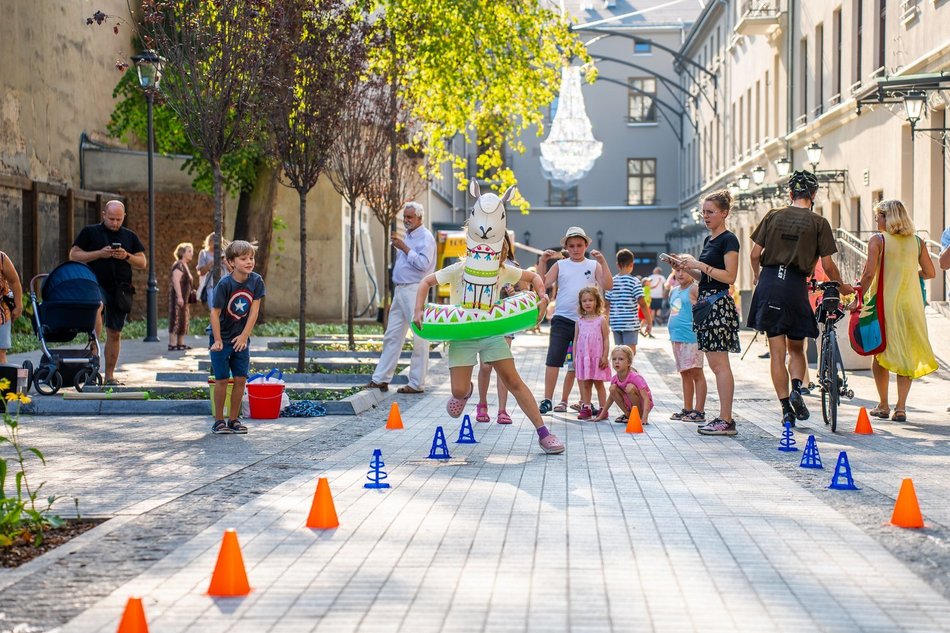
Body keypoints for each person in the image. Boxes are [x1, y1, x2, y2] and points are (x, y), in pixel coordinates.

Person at [413, 234, 565, 454]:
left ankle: (544, 433)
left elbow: (533, 278)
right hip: (462, 335)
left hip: (491, 333)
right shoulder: (460, 269)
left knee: (514, 381)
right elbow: (426, 281)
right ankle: (466, 393)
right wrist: (419, 309)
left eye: (497, 253)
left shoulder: (502, 270)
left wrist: (542, 295)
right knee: (458, 390)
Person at [747, 170, 853, 429]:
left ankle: (785, 409)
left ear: (790, 193)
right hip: (796, 286)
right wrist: (842, 287)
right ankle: (797, 388)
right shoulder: (819, 223)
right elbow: (828, 265)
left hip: (771, 282)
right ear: (813, 194)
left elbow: (753, 254)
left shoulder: (773, 216)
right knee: (797, 349)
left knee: (776, 353)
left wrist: (757, 276)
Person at [855, 200, 936, 422]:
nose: (875, 221)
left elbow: (869, 275)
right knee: (906, 353)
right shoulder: (917, 242)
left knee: (880, 351)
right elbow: (930, 273)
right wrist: (909, 274)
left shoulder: (878, 241)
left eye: (878, 217)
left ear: (887, 217)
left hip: (885, 304)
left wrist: (856, 295)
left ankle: (883, 405)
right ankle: (901, 407)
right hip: (911, 305)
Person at [672, 190, 740, 436]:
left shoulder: (729, 240)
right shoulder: (709, 241)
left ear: (724, 213)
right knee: (715, 364)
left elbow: (730, 277)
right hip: (706, 305)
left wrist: (699, 264)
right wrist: (688, 269)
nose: (705, 216)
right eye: (704, 212)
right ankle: (723, 417)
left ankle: (726, 418)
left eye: (710, 212)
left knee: (720, 365)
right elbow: (708, 278)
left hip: (718, 306)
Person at [69, 200, 147, 385]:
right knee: (97, 304)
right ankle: (93, 365)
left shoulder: (130, 236)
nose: (115, 223)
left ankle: (109, 376)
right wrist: (98, 254)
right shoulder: (90, 232)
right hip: (95, 284)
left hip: (121, 289)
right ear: (103, 214)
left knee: (115, 333)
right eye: (111, 218)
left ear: (124, 217)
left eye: (119, 219)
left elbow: (142, 262)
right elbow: (74, 255)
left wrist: (127, 256)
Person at [536, 226, 612, 414]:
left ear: (586, 245)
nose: (575, 249)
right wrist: (542, 261)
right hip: (562, 318)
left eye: (579, 245)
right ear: (567, 247)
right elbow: (541, 283)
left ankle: (584, 401)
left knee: (583, 360)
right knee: (554, 359)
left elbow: (608, 285)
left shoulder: (593, 265)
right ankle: (547, 399)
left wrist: (602, 261)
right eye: (571, 246)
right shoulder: (561, 265)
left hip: (587, 321)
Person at [366, 202, 435, 394]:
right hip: (401, 290)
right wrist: (402, 246)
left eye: (410, 217)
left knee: (420, 337)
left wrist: (404, 247)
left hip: (415, 291)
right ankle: (381, 379)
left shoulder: (426, 238)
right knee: (392, 335)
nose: (406, 220)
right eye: (405, 217)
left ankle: (416, 383)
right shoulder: (410, 236)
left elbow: (423, 264)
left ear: (420, 218)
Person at [209, 240, 265, 435]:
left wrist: (244, 336)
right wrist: (217, 340)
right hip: (222, 338)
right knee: (222, 380)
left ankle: (233, 419)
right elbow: (214, 313)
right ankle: (218, 421)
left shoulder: (256, 281)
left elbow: (254, 311)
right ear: (232, 262)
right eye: (244, 259)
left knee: (241, 379)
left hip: (241, 338)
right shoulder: (225, 284)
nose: (249, 262)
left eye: (251, 258)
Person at [475, 237, 524, 424]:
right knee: (486, 365)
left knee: (503, 367)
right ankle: (482, 404)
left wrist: (514, 294)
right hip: (485, 319)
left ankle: (502, 410)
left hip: (506, 320)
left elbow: (524, 293)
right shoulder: (480, 263)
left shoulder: (513, 265)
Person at [667, 263, 706, 423]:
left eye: (684, 270)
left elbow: (704, 308)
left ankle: (699, 411)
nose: (681, 273)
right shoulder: (674, 291)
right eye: (677, 270)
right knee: (684, 374)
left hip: (692, 338)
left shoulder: (694, 289)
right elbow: (675, 311)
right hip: (677, 337)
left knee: (696, 373)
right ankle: (688, 408)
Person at [573, 287, 611, 420]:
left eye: (590, 300)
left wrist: (605, 356)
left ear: (597, 302)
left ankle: (603, 409)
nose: (587, 303)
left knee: (599, 384)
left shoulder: (601, 320)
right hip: (584, 358)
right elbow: (576, 340)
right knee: (586, 383)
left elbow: (606, 339)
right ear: (581, 303)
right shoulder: (580, 321)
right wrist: (575, 357)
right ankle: (587, 408)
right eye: (584, 301)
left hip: (597, 358)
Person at [604, 249, 652, 351]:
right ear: (632, 264)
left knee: (620, 352)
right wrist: (649, 322)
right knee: (629, 353)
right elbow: (642, 304)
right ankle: (628, 367)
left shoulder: (611, 282)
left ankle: (621, 367)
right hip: (630, 324)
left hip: (615, 323)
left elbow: (606, 305)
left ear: (617, 265)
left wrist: (605, 323)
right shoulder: (634, 281)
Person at [594, 345, 653, 424]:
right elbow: (611, 398)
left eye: (621, 359)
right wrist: (601, 416)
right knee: (612, 388)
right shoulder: (614, 379)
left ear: (629, 363)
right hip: (630, 404)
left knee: (630, 388)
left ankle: (638, 415)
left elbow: (646, 399)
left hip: (643, 406)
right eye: (614, 359)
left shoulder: (635, 377)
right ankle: (628, 414)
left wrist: (644, 418)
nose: (616, 362)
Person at [168, 242, 195, 352]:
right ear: (182, 253)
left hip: (184, 298)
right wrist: (179, 297)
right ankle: (172, 343)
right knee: (176, 318)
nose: (191, 253)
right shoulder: (178, 265)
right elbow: (176, 281)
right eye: (189, 251)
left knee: (183, 319)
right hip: (177, 298)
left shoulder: (185, 265)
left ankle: (180, 343)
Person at [0, 251, 24, 364]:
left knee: (0, 352)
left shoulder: (1, 258)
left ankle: (2, 381)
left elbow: (14, 281)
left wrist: (18, 305)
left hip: (1, 313)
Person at [196, 233, 229, 309]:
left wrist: (224, 261)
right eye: (213, 241)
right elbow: (201, 272)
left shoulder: (224, 253)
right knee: (214, 309)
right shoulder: (204, 253)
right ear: (209, 241)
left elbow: (231, 270)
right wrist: (212, 263)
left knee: (224, 310)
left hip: (224, 286)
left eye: (218, 241)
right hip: (210, 286)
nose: (215, 243)